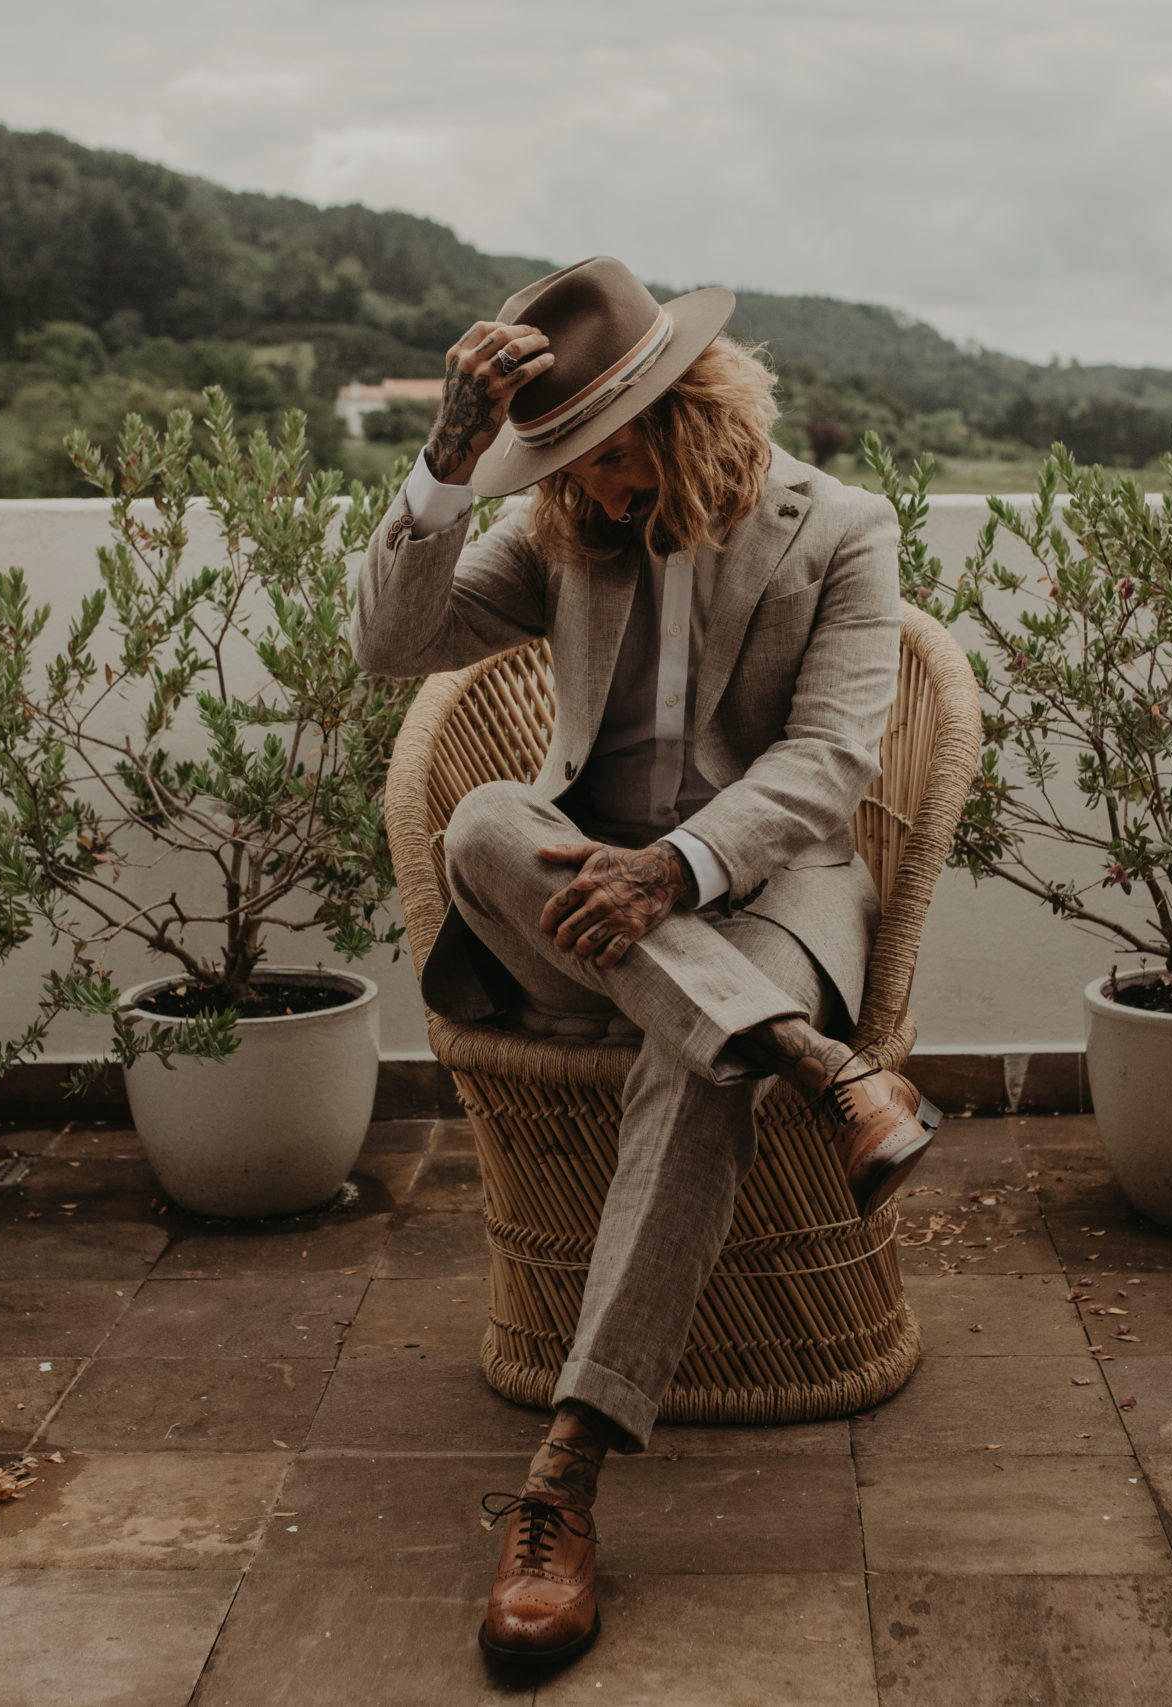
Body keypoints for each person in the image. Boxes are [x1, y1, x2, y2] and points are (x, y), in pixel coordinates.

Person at [354, 255, 941, 1669]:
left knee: (698, 1055)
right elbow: (393, 645)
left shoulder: (841, 529)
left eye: (612, 458)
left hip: (758, 903)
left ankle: (564, 1479)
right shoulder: (558, 526)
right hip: (575, 913)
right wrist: (448, 455)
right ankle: (815, 1063)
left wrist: (674, 868)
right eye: (561, 464)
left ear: (691, 416)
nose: (594, 490)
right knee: (490, 817)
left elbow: (829, 761)